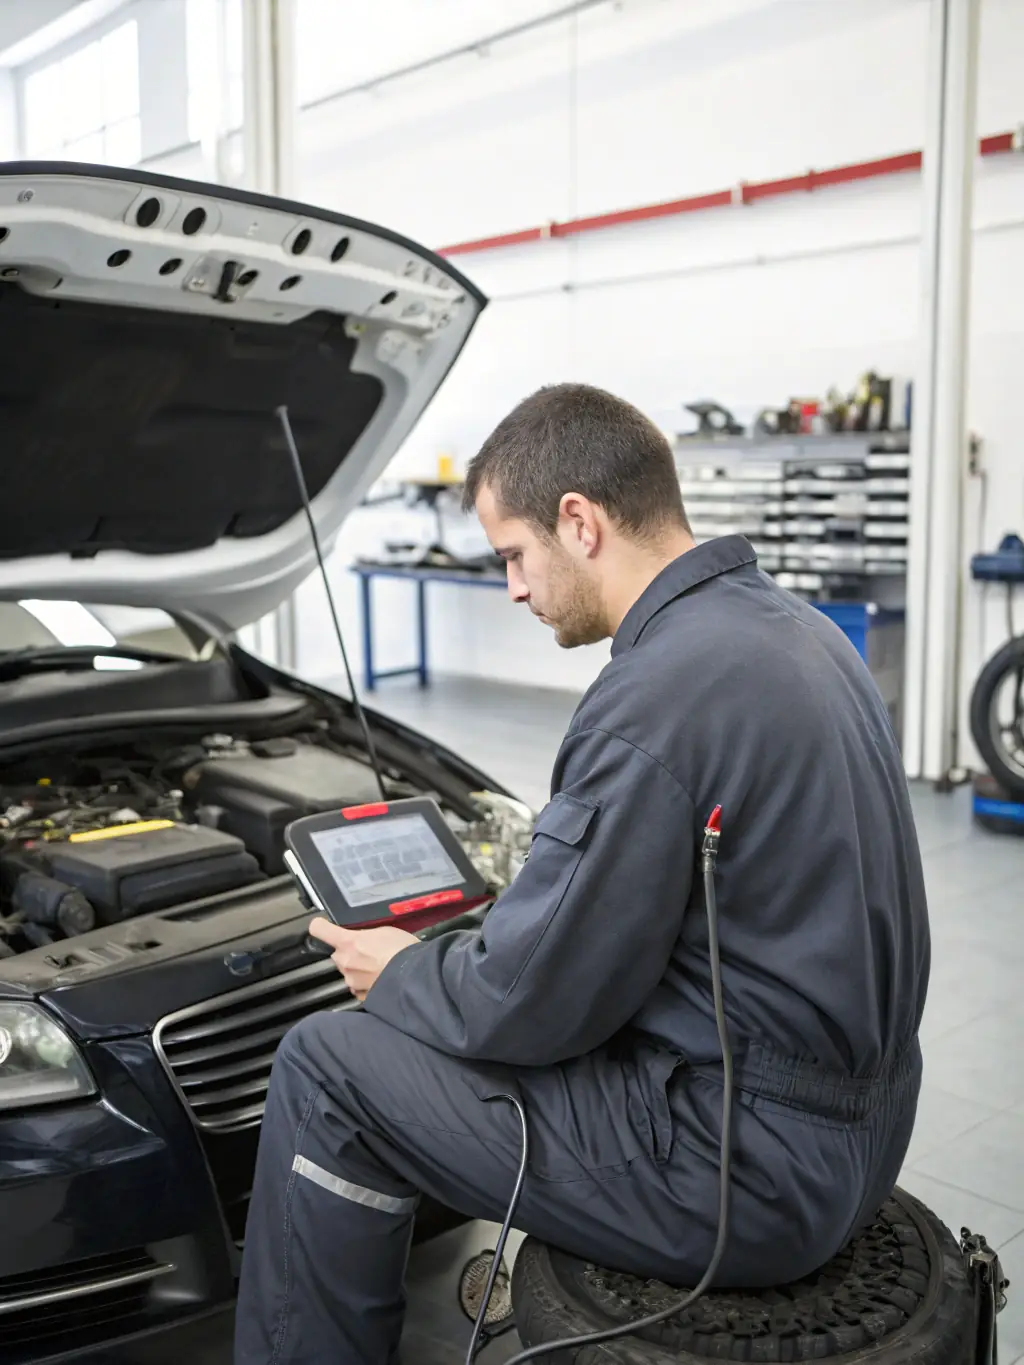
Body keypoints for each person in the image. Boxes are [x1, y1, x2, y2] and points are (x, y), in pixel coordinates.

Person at [234, 383, 930, 1365]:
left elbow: (531, 1002)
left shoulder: (655, 695)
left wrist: (402, 972)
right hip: (862, 1130)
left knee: (328, 1067)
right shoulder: (803, 634)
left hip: (746, 1174)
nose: (512, 587)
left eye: (513, 555)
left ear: (579, 520)